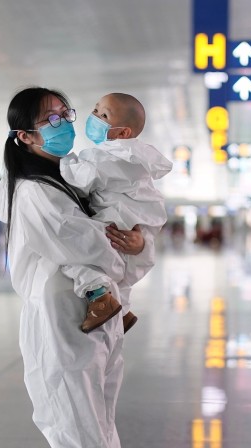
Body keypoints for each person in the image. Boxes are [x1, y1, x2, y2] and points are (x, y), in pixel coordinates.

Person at [0, 87, 153, 448]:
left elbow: (122, 251)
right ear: (25, 135)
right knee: (78, 442)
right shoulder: (34, 191)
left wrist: (136, 242)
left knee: (102, 439)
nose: (65, 122)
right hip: (61, 324)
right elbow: (91, 246)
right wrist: (119, 246)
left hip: (94, 324)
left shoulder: (68, 181)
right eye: (51, 118)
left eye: (67, 113)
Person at [59, 92, 172, 333]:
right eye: (96, 109)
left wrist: (63, 160)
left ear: (123, 133)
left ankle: (100, 299)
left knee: (75, 254)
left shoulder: (107, 156)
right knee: (120, 269)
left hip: (116, 218)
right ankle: (124, 309)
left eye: (104, 115)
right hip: (133, 220)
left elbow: (80, 180)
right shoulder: (137, 156)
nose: (94, 116)